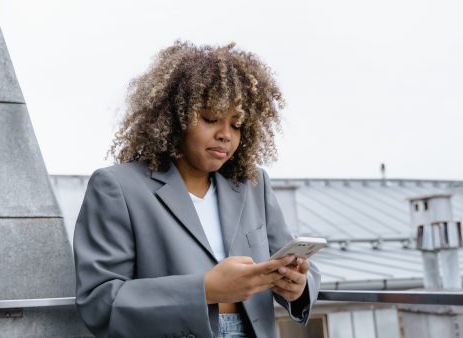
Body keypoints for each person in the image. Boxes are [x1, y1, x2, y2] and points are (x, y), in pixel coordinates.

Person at [73, 41, 321, 338]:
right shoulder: (117, 187)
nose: (225, 135)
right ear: (175, 117)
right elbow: (101, 301)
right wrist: (205, 290)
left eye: (237, 124)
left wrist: (298, 285)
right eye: (210, 118)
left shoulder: (253, 184)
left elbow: (297, 266)